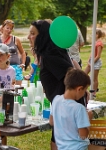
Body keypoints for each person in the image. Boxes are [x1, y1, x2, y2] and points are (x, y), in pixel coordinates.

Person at [27, 20, 88, 150]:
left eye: (32, 33)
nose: (28, 37)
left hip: (67, 113)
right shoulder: (50, 54)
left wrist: (82, 93)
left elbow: (73, 76)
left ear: (43, 36)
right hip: (62, 109)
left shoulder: (51, 56)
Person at [49, 68, 91, 150]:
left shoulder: (56, 100)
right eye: (85, 90)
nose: (84, 94)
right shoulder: (79, 108)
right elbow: (83, 135)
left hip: (61, 147)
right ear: (79, 89)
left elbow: (51, 122)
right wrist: (88, 118)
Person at [0, 19, 26, 85]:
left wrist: (23, 64)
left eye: (11, 29)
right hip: (3, 67)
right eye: (7, 28)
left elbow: (23, 53)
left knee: (18, 89)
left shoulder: (15, 39)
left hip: (16, 67)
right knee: (5, 89)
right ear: (3, 27)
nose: (9, 30)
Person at [85, 29, 104, 98]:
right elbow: (92, 53)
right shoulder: (94, 42)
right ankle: (87, 89)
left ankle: (94, 93)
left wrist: (93, 62)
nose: (92, 35)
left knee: (94, 78)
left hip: (96, 62)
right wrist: (88, 61)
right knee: (84, 74)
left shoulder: (99, 43)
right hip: (91, 61)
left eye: (94, 33)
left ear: (97, 35)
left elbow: (98, 56)